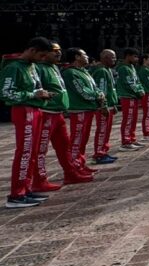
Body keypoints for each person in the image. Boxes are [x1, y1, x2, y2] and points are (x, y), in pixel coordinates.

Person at [1, 37, 55, 208]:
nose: (42, 59)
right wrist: (33, 95)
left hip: (36, 110)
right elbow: (6, 93)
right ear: (32, 50)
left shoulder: (31, 66)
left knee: (32, 152)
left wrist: (42, 94)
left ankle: (26, 188)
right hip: (24, 111)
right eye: (41, 55)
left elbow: (33, 89)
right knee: (24, 152)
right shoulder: (13, 67)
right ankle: (16, 194)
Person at [34, 41, 90, 192]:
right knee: (41, 149)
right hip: (47, 114)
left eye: (59, 50)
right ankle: (39, 181)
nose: (58, 53)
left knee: (65, 147)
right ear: (44, 53)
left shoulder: (54, 67)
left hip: (58, 114)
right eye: (54, 51)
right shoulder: (39, 68)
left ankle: (71, 174)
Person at [62, 47, 104, 180]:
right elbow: (82, 91)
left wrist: (99, 94)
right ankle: (74, 167)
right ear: (76, 57)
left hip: (87, 109)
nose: (87, 57)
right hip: (79, 109)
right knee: (76, 140)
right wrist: (97, 96)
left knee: (83, 140)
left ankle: (81, 163)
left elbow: (94, 87)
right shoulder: (70, 73)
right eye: (84, 54)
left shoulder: (83, 71)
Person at [90, 49, 120, 164]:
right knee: (102, 130)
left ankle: (104, 151)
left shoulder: (108, 70)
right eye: (112, 57)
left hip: (109, 105)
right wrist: (104, 105)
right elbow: (102, 90)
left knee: (106, 130)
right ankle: (99, 154)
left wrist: (113, 104)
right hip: (103, 107)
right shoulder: (101, 71)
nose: (114, 60)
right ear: (104, 58)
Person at [115, 48, 146, 149]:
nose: (136, 59)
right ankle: (126, 141)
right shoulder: (123, 68)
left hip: (134, 96)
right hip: (127, 96)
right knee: (128, 119)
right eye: (135, 57)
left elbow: (137, 81)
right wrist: (138, 91)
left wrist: (140, 89)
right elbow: (129, 83)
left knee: (133, 119)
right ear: (128, 56)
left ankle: (132, 138)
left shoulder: (131, 67)